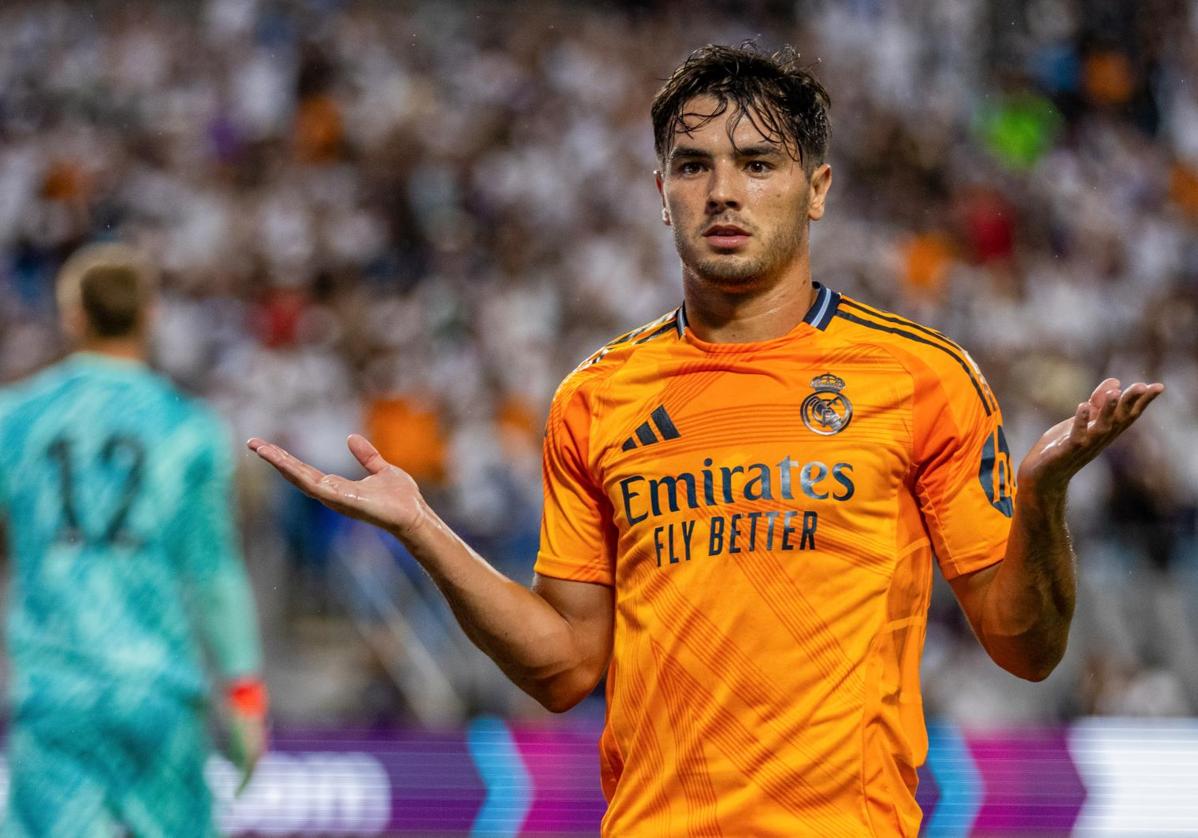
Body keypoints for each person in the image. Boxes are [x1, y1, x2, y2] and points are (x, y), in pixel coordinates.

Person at [248, 44, 1163, 836]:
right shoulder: (596, 398)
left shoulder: (921, 377)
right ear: (660, 192)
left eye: (759, 163)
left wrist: (1042, 501)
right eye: (692, 165)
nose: (723, 191)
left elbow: (1026, 648)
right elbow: (567, 667)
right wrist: (423, 531)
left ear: (817, 191)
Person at [0, 243, 268, 836]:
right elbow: (214, 572)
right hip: (157, 687)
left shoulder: (15, 419)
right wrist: (245, 692)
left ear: (73, 316)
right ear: (150, 315)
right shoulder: (189, 428)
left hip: (56, 688)